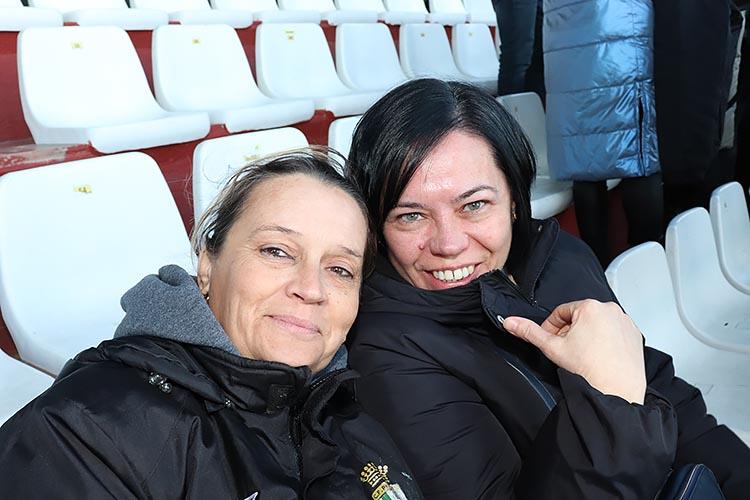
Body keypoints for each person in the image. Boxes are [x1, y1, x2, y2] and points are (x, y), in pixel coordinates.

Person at [346, 79, 750, 500]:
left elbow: (670, 400)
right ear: (377, 227)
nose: (448, 244)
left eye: (474, 205)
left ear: (514, 200)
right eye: (410, 216)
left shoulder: (561, 258)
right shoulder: (385, 353)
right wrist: (610, 404)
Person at [0, 150, 423, 500]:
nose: (311, 289)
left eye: (340, 269)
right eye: (277, 251)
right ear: (207, 265)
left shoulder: (347, 412)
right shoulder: (86, 431)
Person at [543, 0, 663, 266]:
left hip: (565, 28)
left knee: (582, 155)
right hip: (617, 23)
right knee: (636, 153)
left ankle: (596, 266)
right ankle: (647, 263)